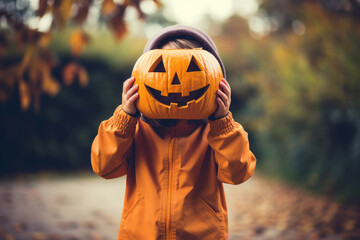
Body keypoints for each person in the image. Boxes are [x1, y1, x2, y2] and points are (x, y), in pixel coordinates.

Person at [91, 25, 256, 240]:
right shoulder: (135, 130)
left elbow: (238, 173)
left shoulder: (214, 133)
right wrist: (124, 118)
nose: (175, 82)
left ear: (216, 80)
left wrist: (222, 123)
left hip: (202, 235)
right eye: (160, 69)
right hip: (141, 234)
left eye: (193, 69)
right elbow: (104, 167)